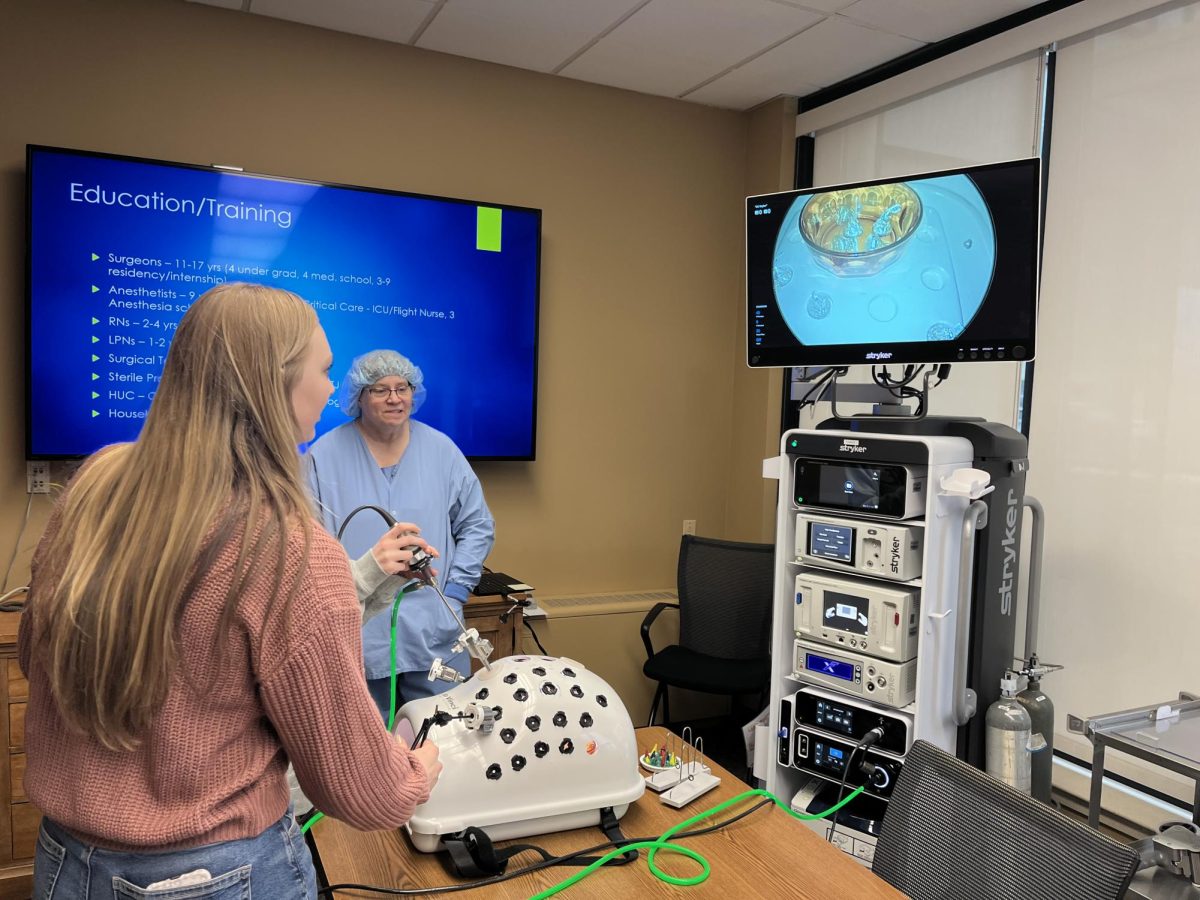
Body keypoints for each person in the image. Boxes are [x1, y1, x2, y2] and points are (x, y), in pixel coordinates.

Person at [19, 283, 441, 899]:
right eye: (323, 371)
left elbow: (36, 655)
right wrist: (415, 771)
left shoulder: (94, 486)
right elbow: (361, 791)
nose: (333, 390)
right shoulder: (292, 546)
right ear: (273, 383)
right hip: (217, 877)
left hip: (66, 863)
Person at [305, 350, 495, 721]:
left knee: (447, 742)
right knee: (367, 752)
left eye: (403, 387)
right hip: (361, 631)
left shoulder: (442, 451)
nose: (395, 398)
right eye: (380, 390)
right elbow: (307, 544)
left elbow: (477, 525)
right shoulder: (323, 457)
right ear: (358, 397)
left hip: (436, 629)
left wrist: (456, 592)